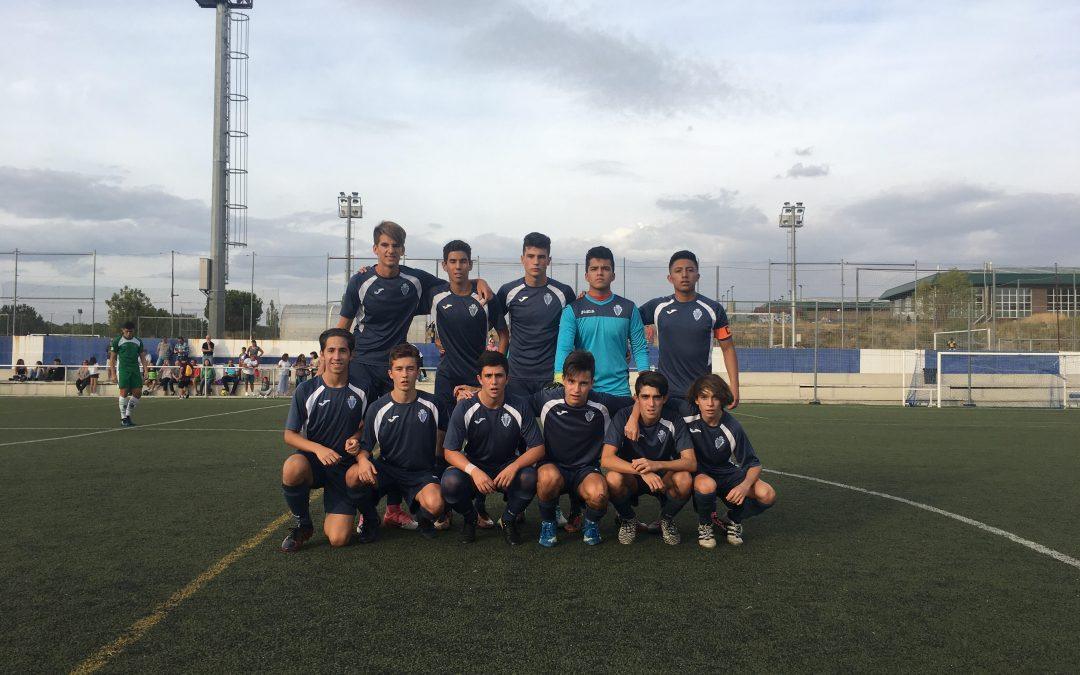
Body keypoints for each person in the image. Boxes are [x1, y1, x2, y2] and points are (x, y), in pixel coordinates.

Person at [335, 221, 492, 530]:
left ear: (403, 250)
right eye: (384, 245)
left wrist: (480, 280)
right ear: (375, 249)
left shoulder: (416, 281)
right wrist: (331, 363)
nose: (390, 251)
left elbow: (455, 280)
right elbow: (343, 325)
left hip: (396, 368)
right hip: (364, 366)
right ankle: (348, 504)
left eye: (396, 246)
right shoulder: (360, 281)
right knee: (354, 432)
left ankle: (393, 508)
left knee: (397, 438)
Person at [441, 350, 546, 545]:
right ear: (479, 379)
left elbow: (538, 448)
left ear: (507, 378)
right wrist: (474, 471)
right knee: (450, 482)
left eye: (499, 376)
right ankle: (470, 517)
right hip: (476, 466)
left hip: (507, 466)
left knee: (530, 476)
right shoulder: (465, 407)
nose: (494, 382)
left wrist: (513, 467)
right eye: (488, 376)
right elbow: (450, 451)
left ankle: (508, 519)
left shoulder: (520, 405)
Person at [279, 328, 368, 552]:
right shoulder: (306, 389)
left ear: (351, 355)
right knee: (292, 467)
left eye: (342, 351)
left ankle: (361, 514)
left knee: (338, 539)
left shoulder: (362, 390)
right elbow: (289, 435)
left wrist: (357, 438)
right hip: (314, 464)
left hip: (343, 468)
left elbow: (367, 425)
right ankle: (303, 524)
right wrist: (318, 450)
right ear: (322, 354)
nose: (336, 356)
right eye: (331, 350)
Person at [532, 350, 633, 547]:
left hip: (586, 470)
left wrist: (635, 417)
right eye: (571, 381)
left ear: (592, 383)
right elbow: (513, 401)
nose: (576, 389)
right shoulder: (547, 398)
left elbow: (636, 402)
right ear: (563, 379)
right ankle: (548, 523)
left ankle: (591, 523)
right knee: (546, 478)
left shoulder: (602, 402)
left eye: (583, 383)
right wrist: (475, 392)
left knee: (599, 493)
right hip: (554, 467)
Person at [352, 343, 448, 541]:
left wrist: (438, 473)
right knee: (353, 476)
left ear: (418, 372)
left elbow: (442, 444)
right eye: (399, 369)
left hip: (420, 473)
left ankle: (424, 518)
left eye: (410, 369)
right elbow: (365, 447)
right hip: (387, 469)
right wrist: (362, 461)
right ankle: (370, 518)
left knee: (436, 504)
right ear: (390, 373)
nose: (405, 374)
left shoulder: (434, 404)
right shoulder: (377, 408)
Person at [601, 371, 695, 545]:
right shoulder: (623, 416)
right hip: (633, 479)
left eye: (656, 397)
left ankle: (666, 520)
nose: (651, 403)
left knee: (684, 479)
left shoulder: (674, 419)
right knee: (613, 478)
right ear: (636, 398)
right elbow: (606, 459)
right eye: (645, 397)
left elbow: (690, 462)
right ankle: (628, 519)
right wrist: (643, 471)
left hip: (662, 478)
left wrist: (655, 465)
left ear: (665, 398)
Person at [685, 373, 776, 548]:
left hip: (726, 473)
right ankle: (705, 525)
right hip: (700, 473)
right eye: (704, 397)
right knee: (706, 485)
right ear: (696, 400)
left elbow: (754, 464)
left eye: (715, 398)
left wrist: (744, 486)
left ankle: (733, 519)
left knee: (767, 494)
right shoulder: (687, 419)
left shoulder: (732, 427)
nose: (710, 404)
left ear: (723, 399)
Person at [640, 250, 739, 405]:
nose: (684, 275)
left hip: (701, 394)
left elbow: (728, 349)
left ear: (697, 276)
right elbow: (626, 322)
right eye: (678, 271)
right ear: (670, 278)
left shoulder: (713, 309)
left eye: (690, 270)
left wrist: (734, 387)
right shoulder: (658, 306)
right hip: (667, 394)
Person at [554, 245, 649, 397]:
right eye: (594, 269)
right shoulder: (573, 310)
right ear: (586, 275)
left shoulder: (629, 308)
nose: (599, 273)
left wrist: (646, 383)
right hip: (585, 393)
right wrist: (559, 381)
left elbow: (640, 349)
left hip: (620, 393)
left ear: (613, 275)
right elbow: (564, 349)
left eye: (605, 268)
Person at [491, 232, 576, 399]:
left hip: (551, 376)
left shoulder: (563, 293)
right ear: (522, 259)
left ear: (549, 260)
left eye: (541, 257)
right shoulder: (508, 291)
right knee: (517, 424)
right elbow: (485, 322)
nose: (536, 262)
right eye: (530, 256)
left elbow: (579, 327)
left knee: (551, 425)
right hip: (516, 376)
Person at [108, 321, 149, 426]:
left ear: (133, 331)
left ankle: (128, 415)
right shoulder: (117, 341)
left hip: (135, 369)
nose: (129, 333)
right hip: (123, 370)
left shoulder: (138, 341)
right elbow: (112, 358)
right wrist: (113, 374)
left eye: (131, 331)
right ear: (123, 330)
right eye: (127, 331)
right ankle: (123, 419)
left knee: (138, 393)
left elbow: (143, 357)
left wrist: (146, 370)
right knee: (124, 392)